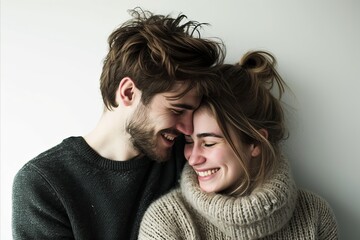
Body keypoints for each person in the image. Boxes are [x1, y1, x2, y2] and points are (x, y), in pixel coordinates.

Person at [12, 8, 225, 240]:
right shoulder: (44, 184)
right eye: (177, 110)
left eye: (191, 113)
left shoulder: (189, 158)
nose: (187, 129)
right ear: (128, 92)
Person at [138, 51, 338, 239]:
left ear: (255, 143)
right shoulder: (166, 222)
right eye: (189, 141)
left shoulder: (315, 215)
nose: (193, 157)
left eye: (208, 143)